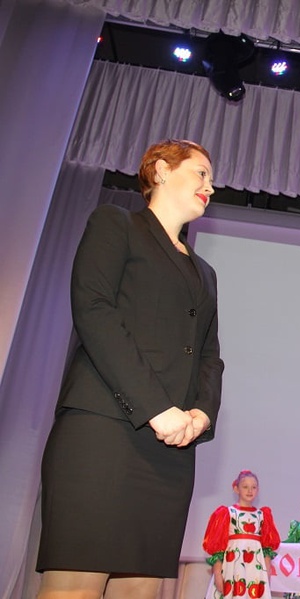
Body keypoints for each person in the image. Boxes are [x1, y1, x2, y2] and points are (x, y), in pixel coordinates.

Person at [36, 139, 223, 599]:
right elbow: (94, 310)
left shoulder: (205, 272)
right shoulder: (115, 224)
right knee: (75, 587)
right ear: (160, 171)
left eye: (212, 179)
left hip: (172, 449)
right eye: (201, 173)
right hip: (103, 429)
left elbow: (209, 355)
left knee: (139, 590)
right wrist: (157, 408)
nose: (210, 186)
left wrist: (201, 414)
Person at [202, 470, 280, 599]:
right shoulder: (227, 513)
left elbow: (266, 550)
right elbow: (218, 549)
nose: (250, 491)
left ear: (258, 490)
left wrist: (266, 575)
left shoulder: (262, 515)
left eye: (253, 487)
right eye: (245, 487)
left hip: (255, 570)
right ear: (236, 489)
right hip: (232, 567)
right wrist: (217, 574)